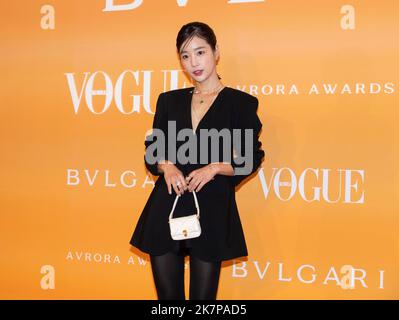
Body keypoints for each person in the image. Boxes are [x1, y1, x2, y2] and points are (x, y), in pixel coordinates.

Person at [129, 21, 265, 300]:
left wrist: (214, 167)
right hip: (167, 205)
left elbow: (252, 157)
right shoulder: (168, 101)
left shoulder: (241, 103)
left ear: (216, 52)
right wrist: (166, 166)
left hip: (212, 208)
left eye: (200, 52)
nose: (194, 62)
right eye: (185, 55)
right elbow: (152, 150)